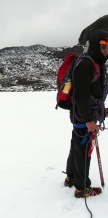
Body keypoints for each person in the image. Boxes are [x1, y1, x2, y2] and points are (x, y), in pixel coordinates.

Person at [64, 29, 108, 198]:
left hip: (86, 113)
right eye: (103, 46)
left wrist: (101, 111)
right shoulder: (86, 64)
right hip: (83, 115)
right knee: (84, 149)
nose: (106, 49)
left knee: (76, 145)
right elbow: (80, 95)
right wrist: (89, 120)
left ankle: (71, 177)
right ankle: (82, 188)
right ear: (96, 46)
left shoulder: (96, 62)